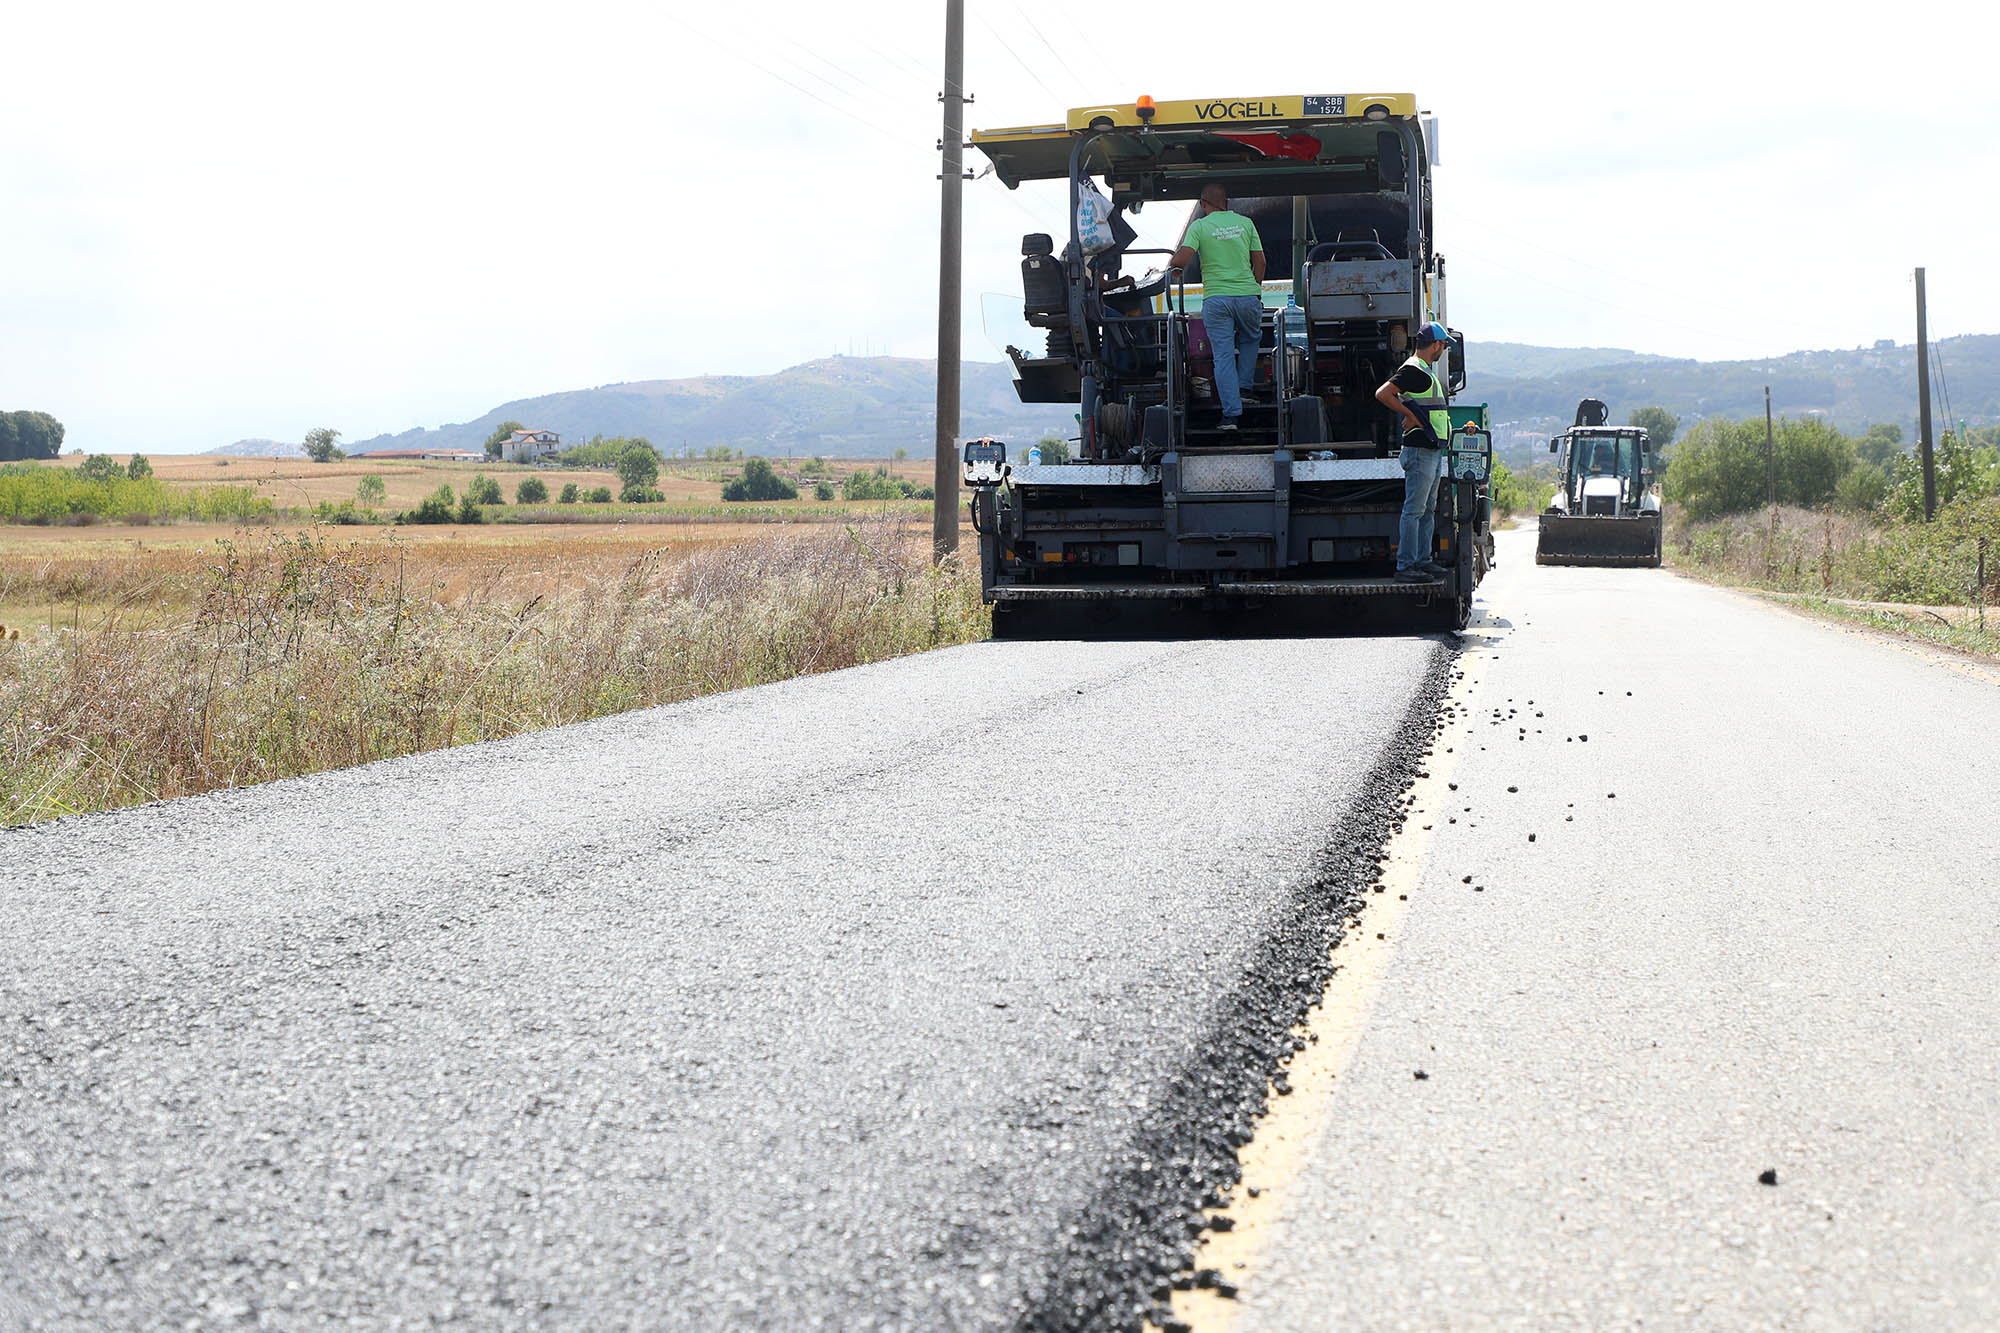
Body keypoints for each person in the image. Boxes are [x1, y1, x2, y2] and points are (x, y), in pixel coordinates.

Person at [1374, 321, 1469, 581]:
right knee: (1415, 510)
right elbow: (1383, 393)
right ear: (1436, 344)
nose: (1443, 350)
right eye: (1443, 345)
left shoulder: (1423, 371)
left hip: (1431, 449)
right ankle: (1406, 567)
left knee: (1427, 509)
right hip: (1420, 450)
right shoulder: (1414, 369)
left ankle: (1423, 561)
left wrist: (1412, 414)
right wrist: (1409, 415)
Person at [1168, 184, 1266, 431]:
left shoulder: (1200, 226)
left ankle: (1231, 416)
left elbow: (1182, 258)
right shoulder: (1246, 223)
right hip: (1247, 296)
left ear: (1203, 204)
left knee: (1223, 356)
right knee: (1251, 339)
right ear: (1227, 202)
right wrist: (1253, 288)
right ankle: (1245, 388)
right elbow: (1260, 262)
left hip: (1217, 299)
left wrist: (1173, 265)